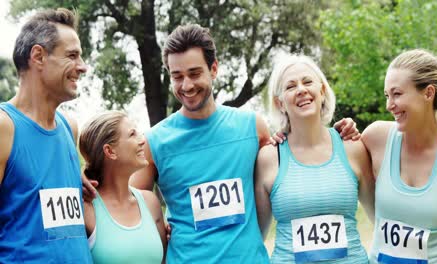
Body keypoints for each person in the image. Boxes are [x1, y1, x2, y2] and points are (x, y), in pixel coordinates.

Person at [83, 24, 358, 263]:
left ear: (214, 69)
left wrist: (337, 133)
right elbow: (128, 207)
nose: (186, 85)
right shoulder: (155, 142)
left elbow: (299, 151)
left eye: (194, 73)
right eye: (177, 76)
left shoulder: (254, 127)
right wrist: (85, 176)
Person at [255, 54, 375, 263]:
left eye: (307, 82)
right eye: (290, 86)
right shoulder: (269, 157)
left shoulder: (353, 148)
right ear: (280, 103)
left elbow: (382, 218)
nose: (301, 89)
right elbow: (255, 237)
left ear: (322, 91)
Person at [0, 8, 92, 263]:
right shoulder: (4, 127)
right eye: (72, 56)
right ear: (38, 56)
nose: (82, 67)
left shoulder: (69, 127)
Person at [362, 49, 437, 264]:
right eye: (387, 95)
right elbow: (334, 163)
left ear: (428, 93)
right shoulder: (375, 138)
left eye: (397, 94)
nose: (389, 105)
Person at [79, 111, 167, 263]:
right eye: (133, 134)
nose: (142, 141)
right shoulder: (85, 208)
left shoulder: (150, 202)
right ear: (110, 151)